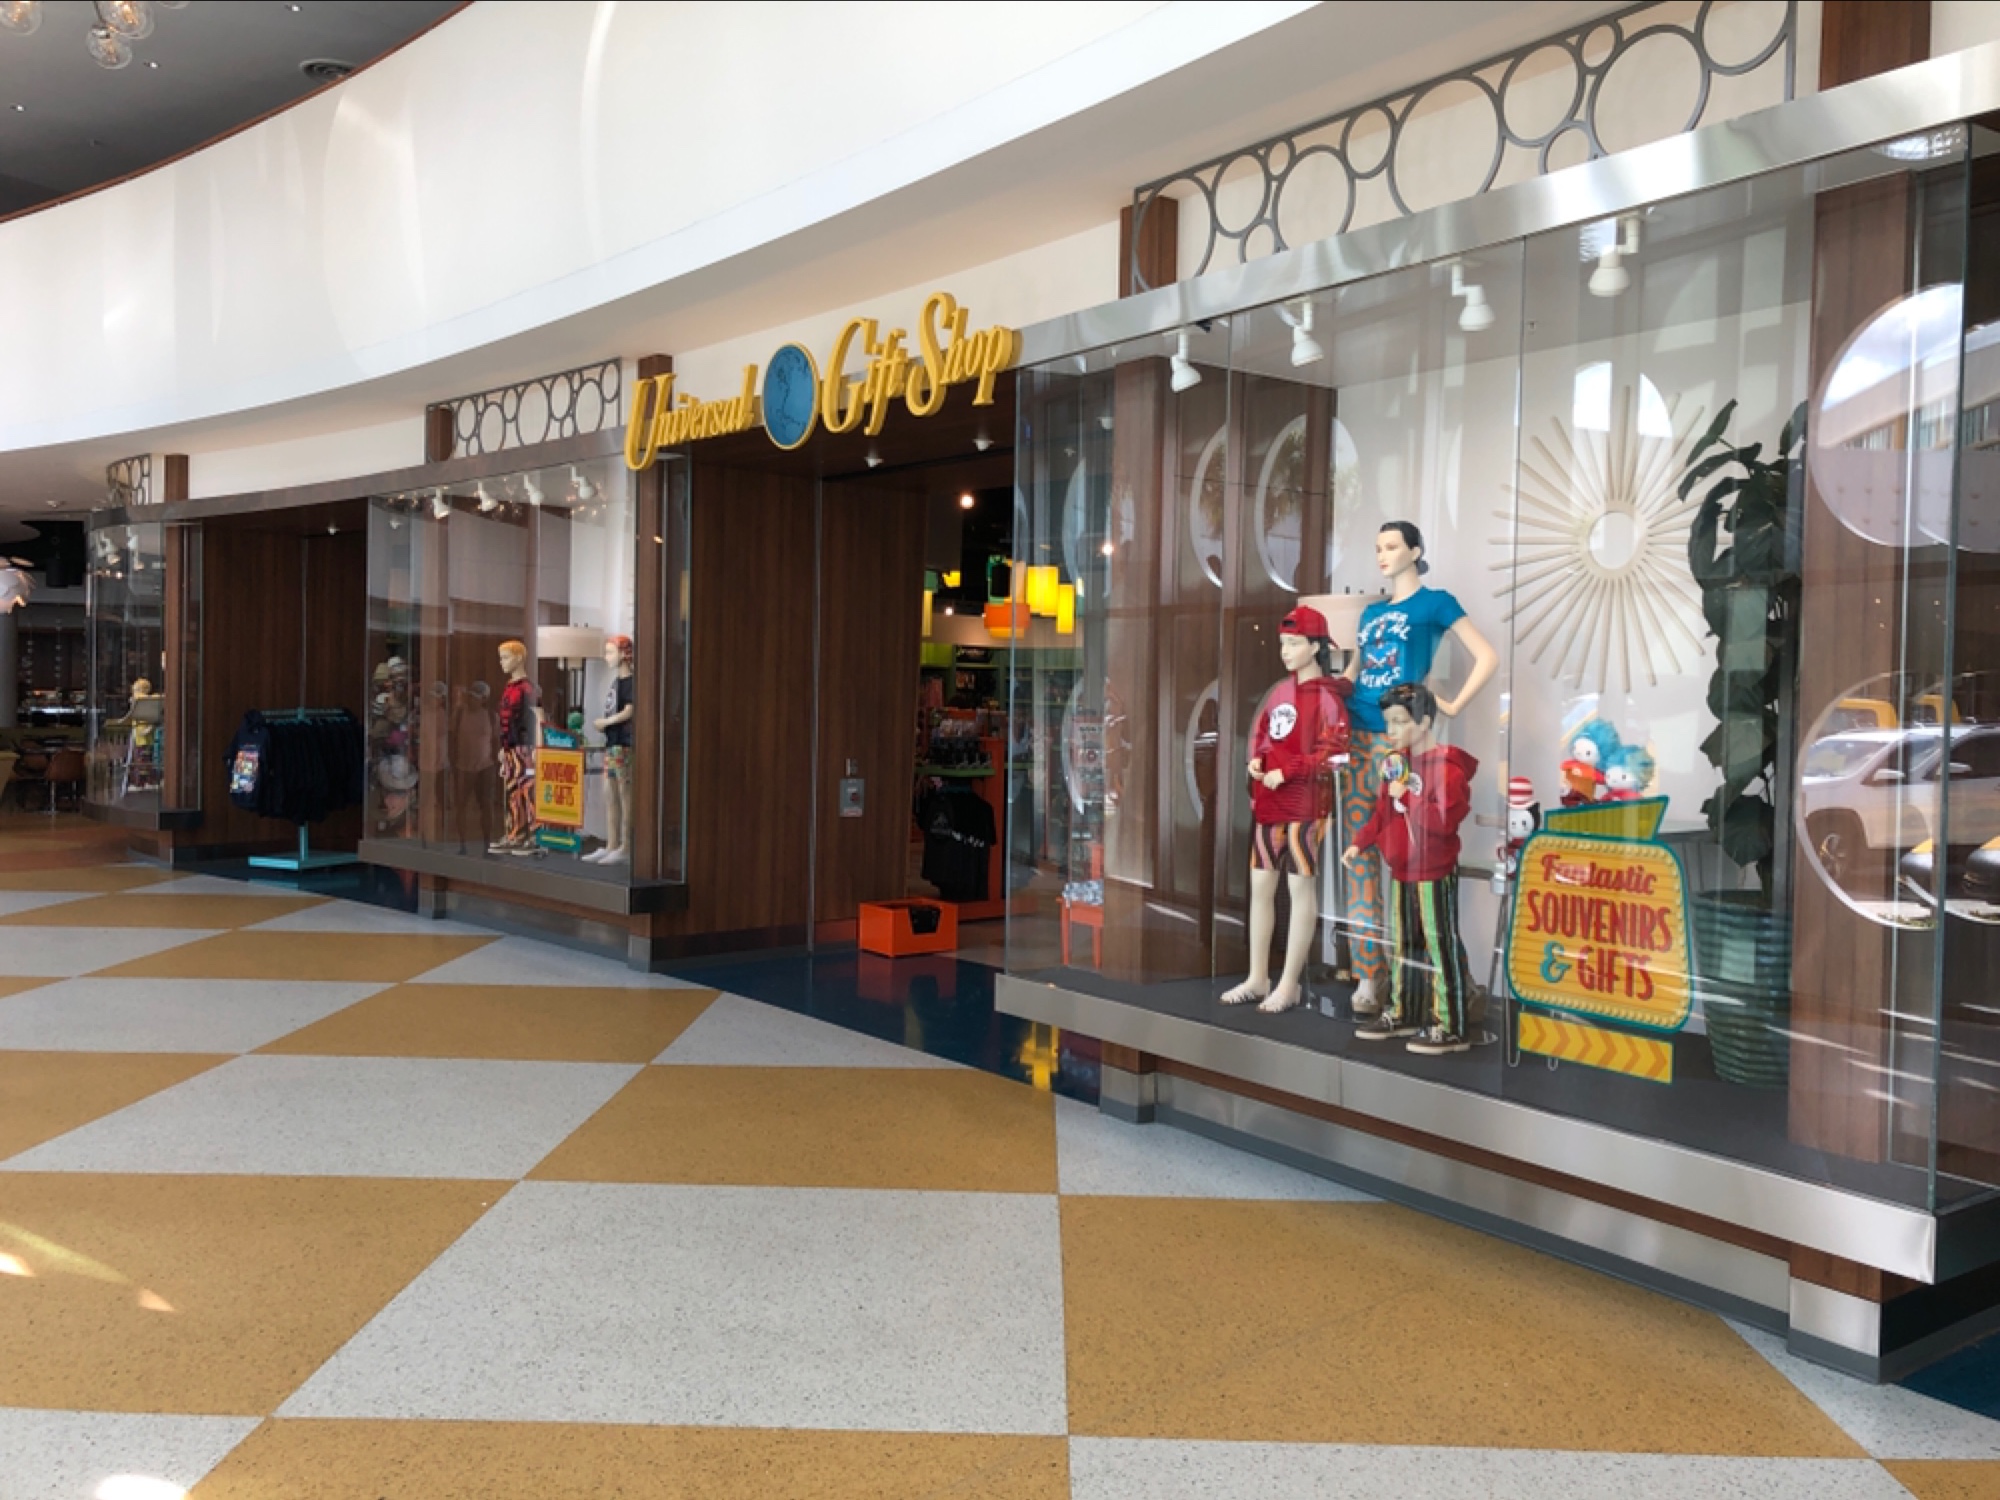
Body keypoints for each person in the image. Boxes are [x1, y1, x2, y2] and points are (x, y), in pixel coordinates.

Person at [1338, 520, 1497, 1018]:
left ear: (1414, 550)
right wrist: (1326, 698)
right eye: (1377, 547)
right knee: (1361, 855)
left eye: (1391, 546)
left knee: (1419, 856)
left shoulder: (1435, 604)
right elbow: (1355, 672)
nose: (1382, 555)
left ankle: (1451, 981)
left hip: (1399, 741)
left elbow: (1486, 655)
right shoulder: (1370, 613)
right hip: (1358, 736)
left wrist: (1452, 704)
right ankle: (1370, 973)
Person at [1221, 605, 1352, 1014]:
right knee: (1261, 885)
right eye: (1283, 643)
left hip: (1307, 807)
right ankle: (1257, 977)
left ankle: (1289, 982)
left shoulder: (1328, 698)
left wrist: (1290, 770)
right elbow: (1263, 736)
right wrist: (1257, 762)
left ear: (1315, 646)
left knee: (1299, 888)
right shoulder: (1280, 692)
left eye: (1294, 643)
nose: (1286, 651)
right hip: (1270, 803)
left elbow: (1336, 754)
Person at [1341, 681, 1479, 1055]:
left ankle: (1451, 1024)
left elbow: (1443, 822)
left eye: (1400, 722)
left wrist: (1410, 798)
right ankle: (1404, 1011)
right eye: (1389, 722)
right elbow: (1381, 813)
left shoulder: (1447, 770)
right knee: (1403, 942)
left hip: (1434, 870)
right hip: (1401, 870)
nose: (1392, 731)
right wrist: (1359, 843)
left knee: (1439, 943)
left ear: (1425, 721)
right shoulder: (1395, 765)